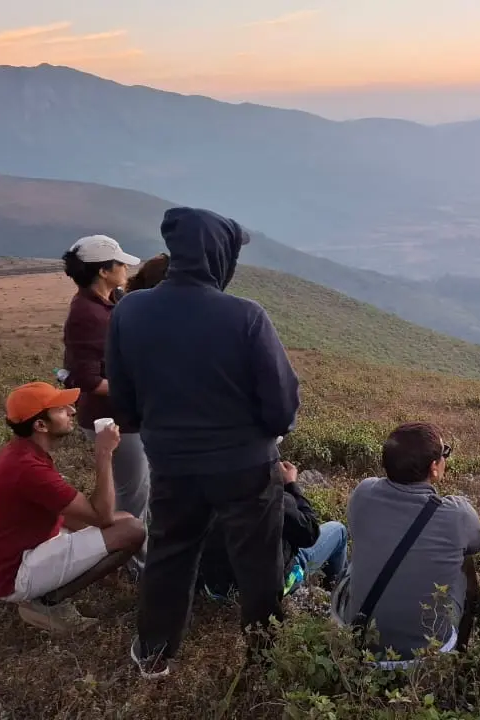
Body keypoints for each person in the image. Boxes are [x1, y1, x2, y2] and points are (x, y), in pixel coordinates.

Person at [107, 207, 301, 678]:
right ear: (220, 255)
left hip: (172, 463)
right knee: (259, 565)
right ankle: (263, 660)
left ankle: (154, 655)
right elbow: (281, 407)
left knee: (170, 554)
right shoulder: (246, 316)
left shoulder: (130, 310)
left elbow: (124, 402)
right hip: (245, 467)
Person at [0, 382, 146, 633]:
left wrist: (102, 534)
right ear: (40, 425)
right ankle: (47, 602)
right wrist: (104, 454)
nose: (72, 411)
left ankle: (83, 578)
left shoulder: (21, 453)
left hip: (20, 552)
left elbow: (91, 517)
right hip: (14, 574)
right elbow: (101, 516)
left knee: (123, 520)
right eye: (60, 409)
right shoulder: (29, 469)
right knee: (132, 531)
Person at [331, 423, 480, 663]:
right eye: (444, 453)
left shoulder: (363, 492)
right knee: (464, 566)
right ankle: (458, 653)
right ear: (434, 468)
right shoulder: (458, 514)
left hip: (356, 635)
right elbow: (476, 543)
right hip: (424, 652)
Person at [60, 235, 150, 574]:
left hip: (125, 415)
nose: (126, 268)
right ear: (103, 270)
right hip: (113, 419)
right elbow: (89, 379)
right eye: (120, 263)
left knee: (139, 488)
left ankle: (137, 556)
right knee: (132, 494)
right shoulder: (87, 314)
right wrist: (141, 389)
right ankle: (134, 565)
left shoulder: (110, 302)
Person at [198, 460, 348, 600]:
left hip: (219, 589)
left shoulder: (204, 490)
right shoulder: (270, 497)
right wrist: (291, 485)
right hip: (270, 591)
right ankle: (339, 595)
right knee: (338, 530)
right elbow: (310, 533)